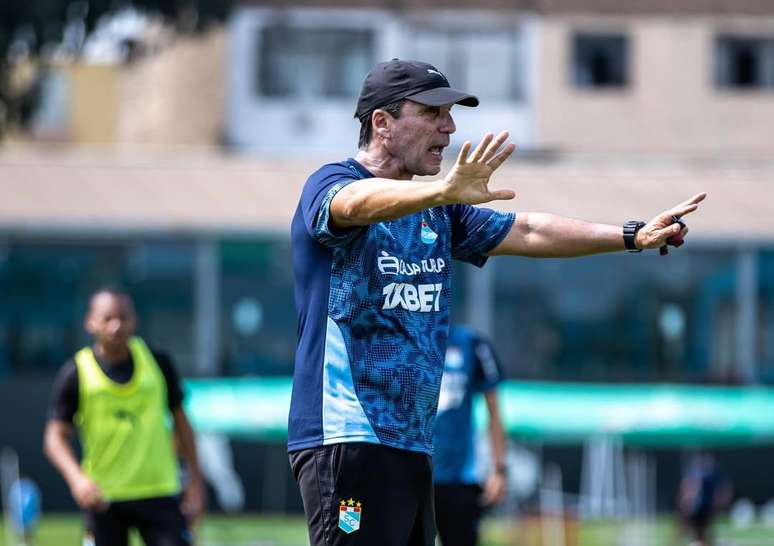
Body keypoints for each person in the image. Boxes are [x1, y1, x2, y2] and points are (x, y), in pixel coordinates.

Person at [289, 58, 706, 546]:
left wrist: (631, 235)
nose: (450, 127)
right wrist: (443, 190)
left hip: (413, 447)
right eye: (432, 113)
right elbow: (353, 205)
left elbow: (527, 230)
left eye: (450, 114)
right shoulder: (331, 182)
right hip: (348, 438)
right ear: (382, 123)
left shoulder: (438, 213)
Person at [44, 287, 205, 546]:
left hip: (160, 493)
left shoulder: (157, 361)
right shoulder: (76, 373)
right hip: (104, 497)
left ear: (134, 321)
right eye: (107, 318)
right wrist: (77, 479)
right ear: (91, 322)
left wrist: (195, 482)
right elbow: (54, 438)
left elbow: (182, 423)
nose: (116, 326)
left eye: (123, 317)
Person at [433, 325, 507, 546]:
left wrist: (499, 469)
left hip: (460, 478)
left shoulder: (472, 344)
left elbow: (494, 412)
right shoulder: (402, 337)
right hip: (413, 472)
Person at [674, 452, 732, 546]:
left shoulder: (713, 475)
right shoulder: (696, 473)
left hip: (704, 509)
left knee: (702, 534)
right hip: (696, 510)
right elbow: (687, 489)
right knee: (685, 532)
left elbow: (723, 490)